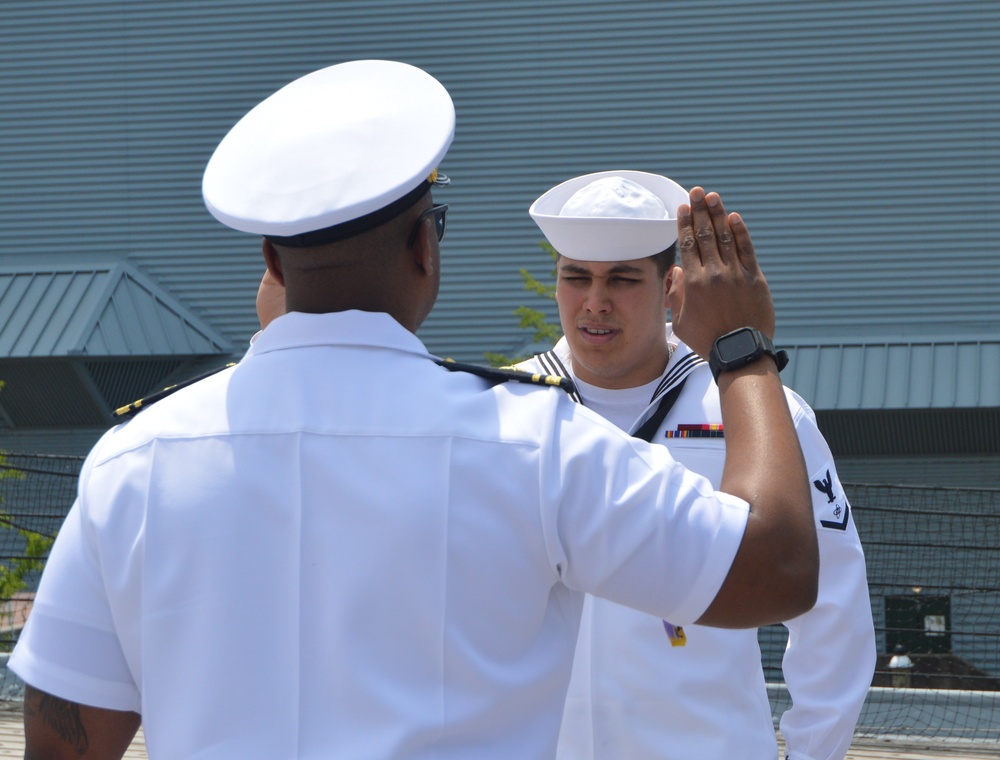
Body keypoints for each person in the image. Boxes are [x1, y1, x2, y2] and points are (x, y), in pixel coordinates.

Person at [10, 62, 819, 759]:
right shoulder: (531, 441)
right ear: (425, 249)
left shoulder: (134, 459)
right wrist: (740, 352)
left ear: (272, 263)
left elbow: (62, 738)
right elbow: (777, 568)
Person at [517, 171, 876, 760]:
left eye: (622, 279)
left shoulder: (760, 416)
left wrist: (814, 752)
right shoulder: (507, 410)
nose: (594, 301)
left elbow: (835, 606)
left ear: (670, 286)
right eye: (575, 277)